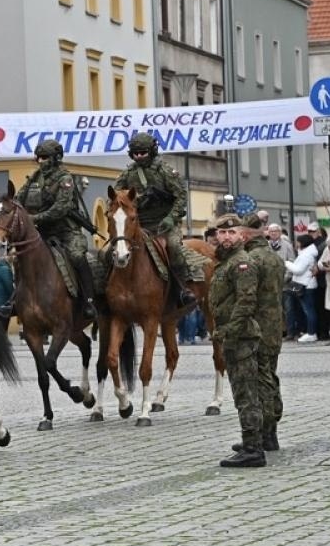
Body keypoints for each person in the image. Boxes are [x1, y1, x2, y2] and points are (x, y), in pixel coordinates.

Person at [113, 131, 196, 309]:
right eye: (135, 153)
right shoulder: (128, 173)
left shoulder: (165, 171)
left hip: (164, 223)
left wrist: (171, 218)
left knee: (174, 247)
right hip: (139, 222)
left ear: (152, 151)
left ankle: (182, 289)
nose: (139, 156)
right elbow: (116, 195)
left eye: (142, 153)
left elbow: (181, 196)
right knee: (112, 250)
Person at [15, 139, 97, 318]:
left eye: (45, 158)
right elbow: (18, 199)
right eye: (38, 158)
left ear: (55, 158)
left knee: (76, 256)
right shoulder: (35, 178)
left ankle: (89, 301)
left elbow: (61, 208)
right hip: (41, 231)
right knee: (20, 257)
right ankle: (16, 300)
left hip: (66, 231)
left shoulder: (65, 179)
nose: (41, 161)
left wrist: (34, 218)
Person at [210, 216, 266, 468]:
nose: (225, 237)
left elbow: (246, 302)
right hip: (232, 335)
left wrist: (230, 331)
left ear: (242, 236)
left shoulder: (242, 263)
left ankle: (253, 449)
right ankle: (250, 440)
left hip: (240, 336)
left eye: (231, 232)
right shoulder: (227, 262)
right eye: (221, 232)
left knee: (246, 395)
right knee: (242, 393)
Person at [242, 215, 286, 450]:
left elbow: (248, 297)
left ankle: (265, 434)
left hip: (257, 328)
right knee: (270, 377)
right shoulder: (275, 258)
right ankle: (270, 433)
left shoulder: (251, 259)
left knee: (261, 382)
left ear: (248, 234)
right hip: (274, 326)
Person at [284, 232, 321, 342]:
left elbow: (298, 270)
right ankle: (309, 331)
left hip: (306, 285)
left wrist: (286, 263)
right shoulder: (306, 253)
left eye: (298, 241)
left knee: (308, 310)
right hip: (305, 284)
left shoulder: (306, 255)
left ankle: (311, 332)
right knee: (307, 310)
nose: (296, 243)